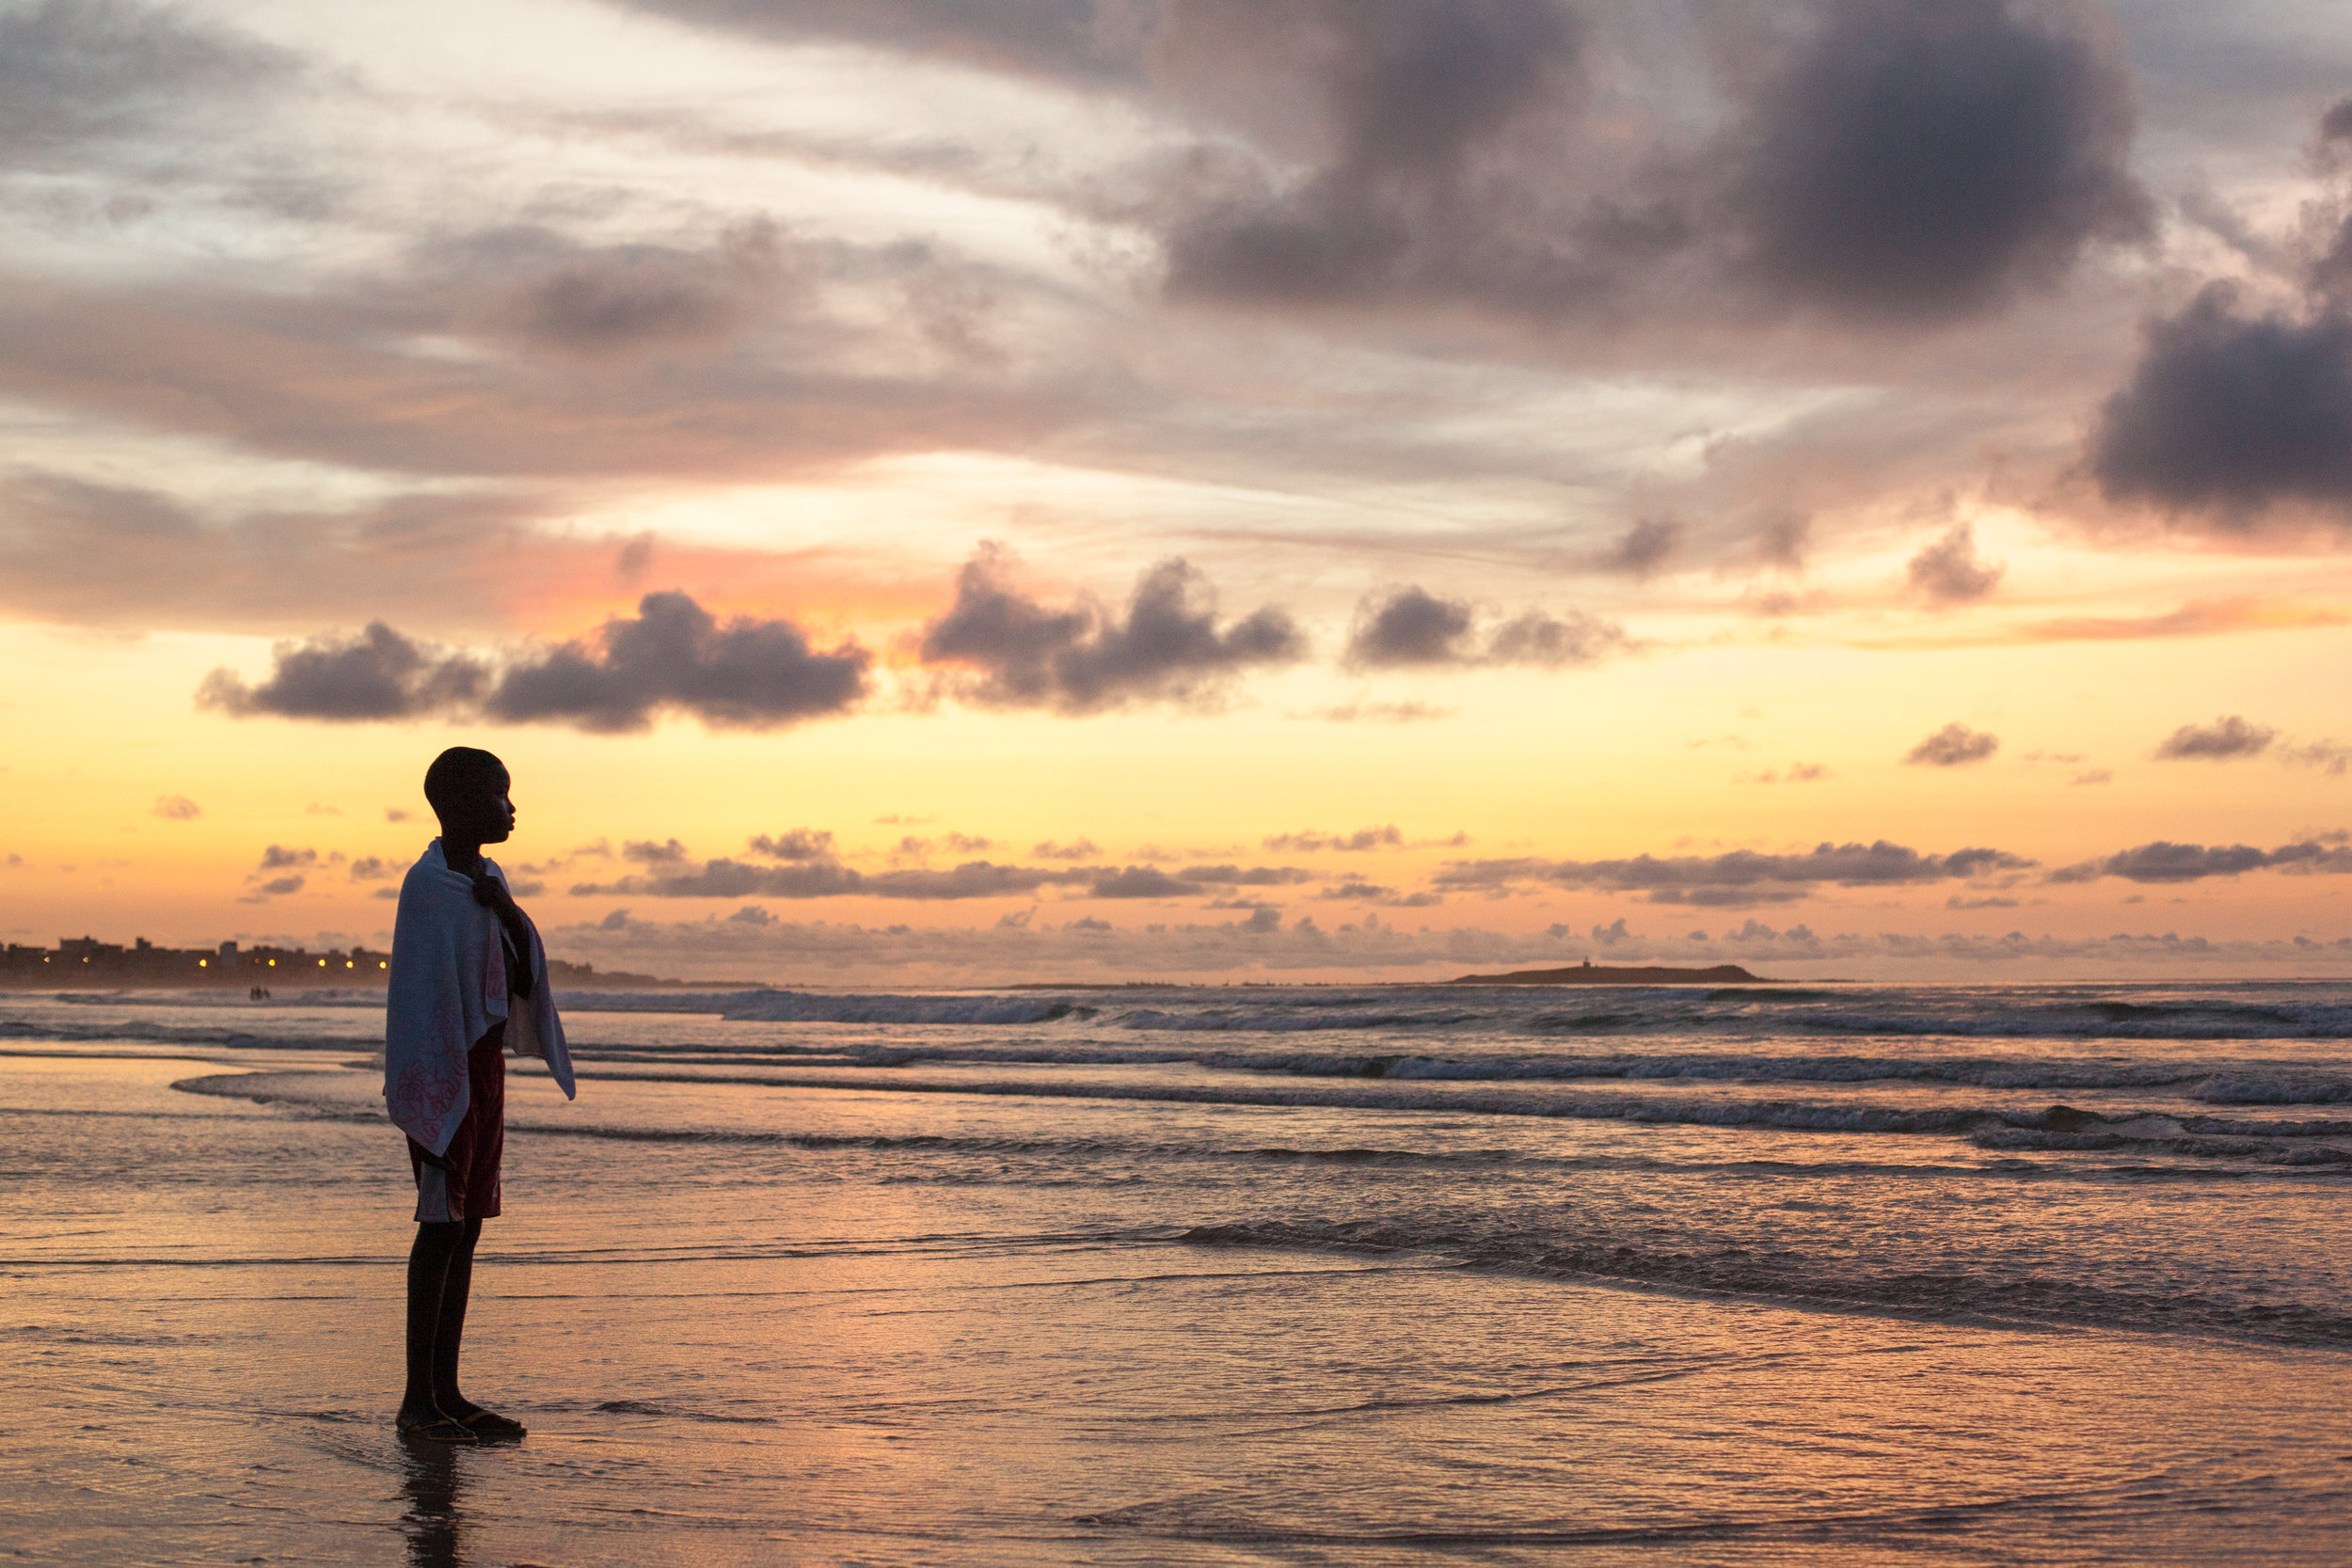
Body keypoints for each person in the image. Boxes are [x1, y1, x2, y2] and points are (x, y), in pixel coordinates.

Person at [385, 747, 576, 1443]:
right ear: (463, 803)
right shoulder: (428, 885)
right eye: (501, 794)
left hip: (484, 1065)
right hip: (438, 1069)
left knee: (466, 1227)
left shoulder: (488, 880)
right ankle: (416, 1401)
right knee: (439, 1223)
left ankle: (447, 1391)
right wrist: (435, 1079)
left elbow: (523, 976)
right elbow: (420, 997)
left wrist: (508, 908)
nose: (512, 807)